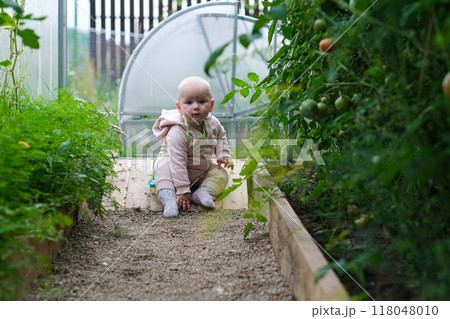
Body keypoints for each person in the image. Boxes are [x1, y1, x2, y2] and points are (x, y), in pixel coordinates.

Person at [152, 76, 234, 218]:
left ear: (211, 104)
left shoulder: (213, 123)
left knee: (222, 174)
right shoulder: (178, 132)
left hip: (200, 168)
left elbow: (221, 136)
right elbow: (177, 163)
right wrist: (183, 190)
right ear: (179, 107)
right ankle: (169, 199)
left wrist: (223, 154)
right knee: (161, 172)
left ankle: (203, 192)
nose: (196, 106)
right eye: (189, 102)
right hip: (173, 169)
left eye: (202, 101)